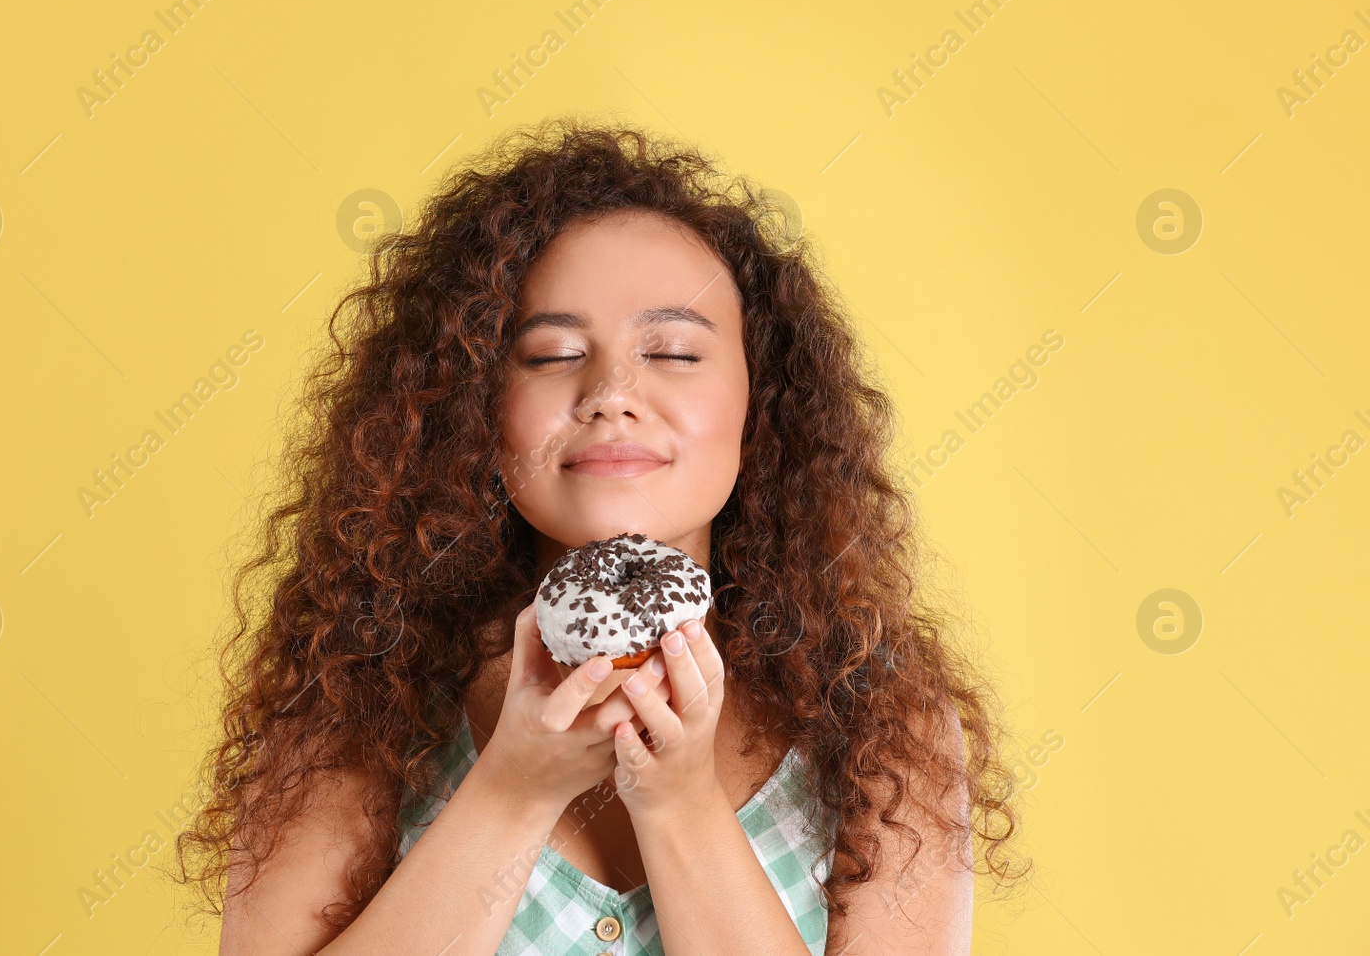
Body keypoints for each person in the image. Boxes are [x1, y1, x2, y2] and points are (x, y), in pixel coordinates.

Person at [173, 118, 1023, 955]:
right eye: (551, 355)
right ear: (473, 409)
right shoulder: (362, 693)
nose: (610, 392)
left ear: (760, 405)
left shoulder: (879, 717)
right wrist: (510, 790)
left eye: (676, 353)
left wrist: (680, 804)